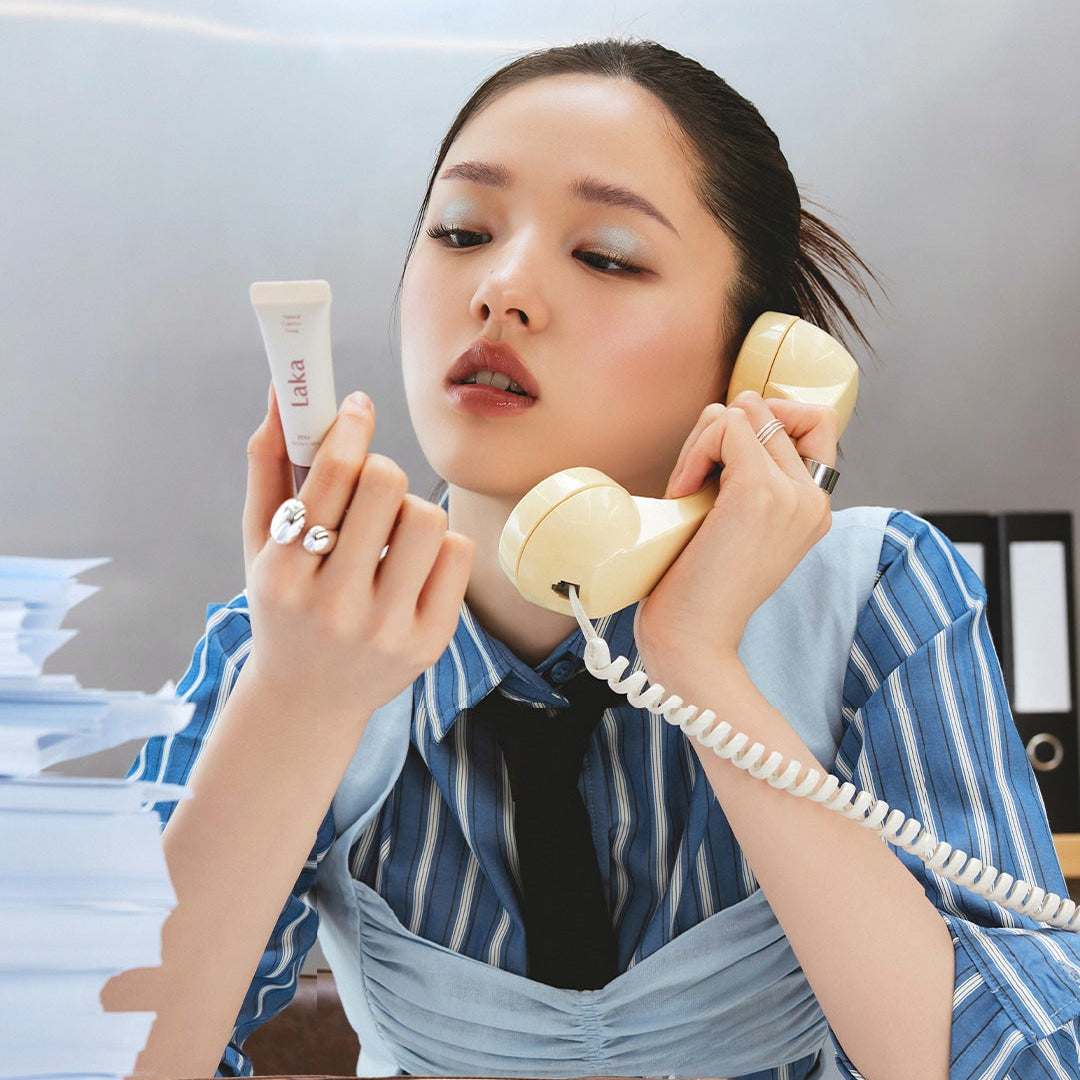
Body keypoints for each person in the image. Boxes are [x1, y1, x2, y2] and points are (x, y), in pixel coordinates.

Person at [106, 39, 1080, 1080]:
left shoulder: (879, 594)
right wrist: (296, 704)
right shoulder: (283, 645)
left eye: (608, 255)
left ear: (752, 360)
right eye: (461, 232)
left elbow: (1025, 1064)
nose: (502, 289)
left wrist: (699, 663)